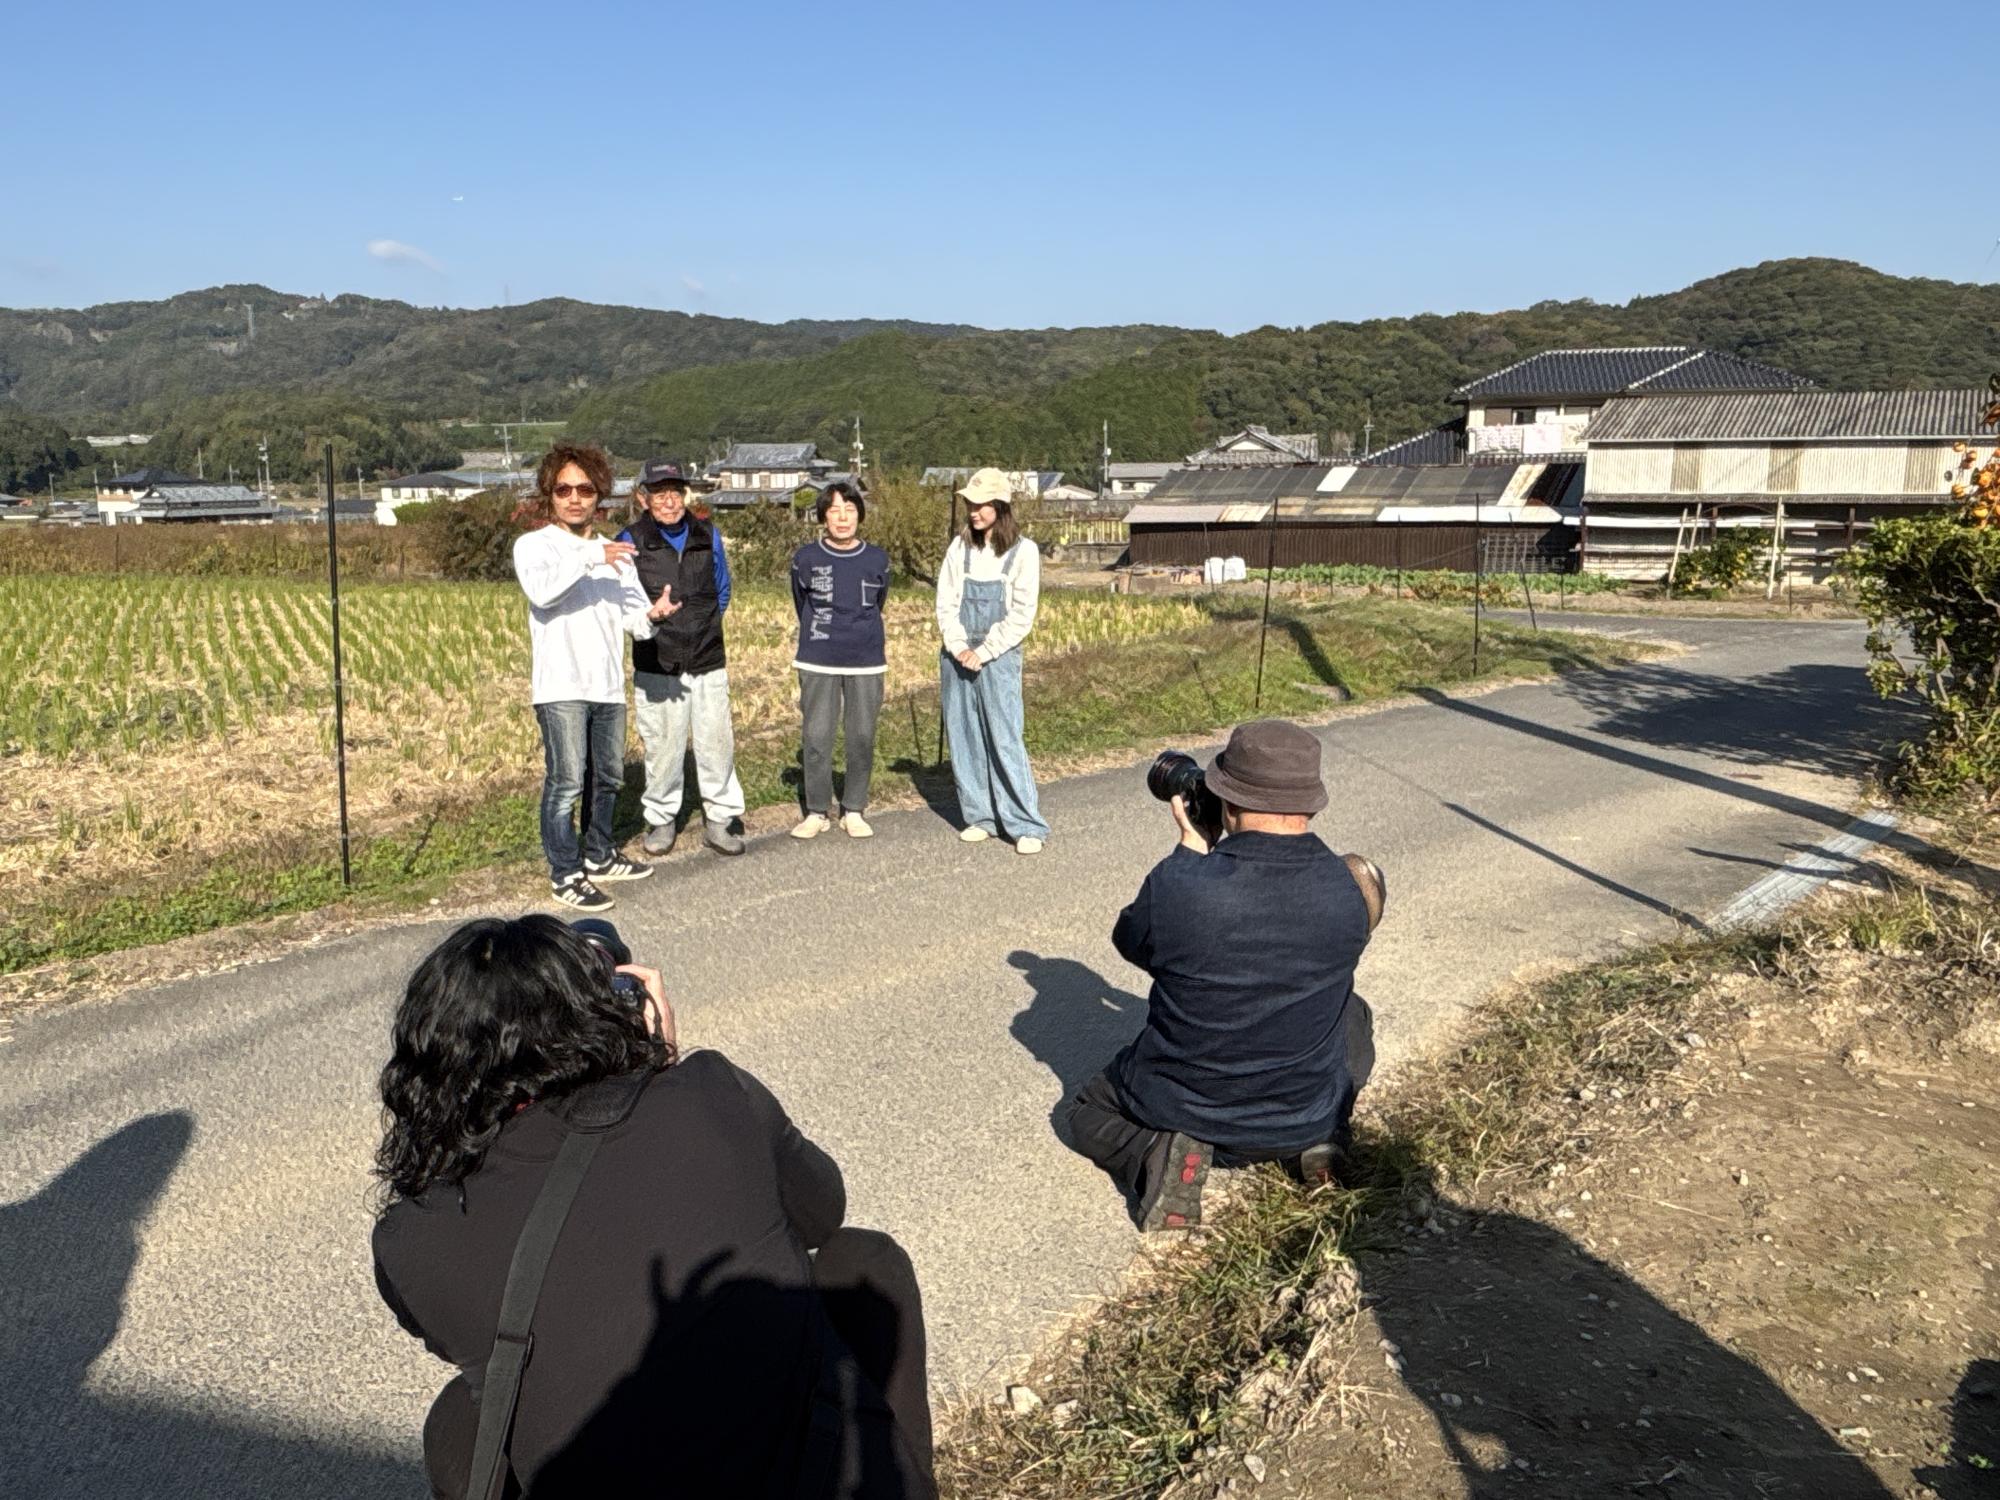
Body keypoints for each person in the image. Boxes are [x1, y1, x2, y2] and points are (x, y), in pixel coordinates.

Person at [371, 915, 935, 1499]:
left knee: (463, 1418)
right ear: (603, 1012)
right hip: (816, 1478)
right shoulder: (710, 1093)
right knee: (863, 1260)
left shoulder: (405, 1238)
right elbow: (822, 1210)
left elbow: (466, 1336)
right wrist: (656, 1069)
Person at [1060, 720, 1386, 1231]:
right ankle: (1325, 1141)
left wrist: (1191, 849)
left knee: (1084, 1111)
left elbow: (1132, 942)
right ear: (1311, 802)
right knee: (1353, 1011)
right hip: (1303, 1114)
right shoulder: (1351, 887)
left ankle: (1156, 1153)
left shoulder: (1180, 886)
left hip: (1186, 1114)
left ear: (1226, 804)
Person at [512, 444, 675, 913]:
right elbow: (542, 594)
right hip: (560, 686)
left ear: (598, 495)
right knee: (565, 781)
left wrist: (656, 615)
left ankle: (599, 854)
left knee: (607, 778)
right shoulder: (535, 546)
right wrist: (590, 557)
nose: (575, 498)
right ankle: (565, 873)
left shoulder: (616, 554)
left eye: (585, 489)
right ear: (550, 494)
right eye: (564, 489)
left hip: (606, 684)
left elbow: (634, 620)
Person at [615, 461, 747, 857]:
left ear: (685, 494)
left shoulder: (709, 534)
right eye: (659, 493)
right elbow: (626, 604)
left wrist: (699, 627)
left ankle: (720, 819)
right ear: (644, 498)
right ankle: (661, 820)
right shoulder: (631, 539)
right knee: (663, 748)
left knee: (716, 743)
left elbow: (722, 590)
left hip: (707, 656)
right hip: (658, 661)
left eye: (675, 491)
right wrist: (662, 625)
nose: (669, 501)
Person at [934, 467, 1049, 854]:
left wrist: (982, 651)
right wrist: (958, 644)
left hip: (998, 656)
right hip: (957, 652)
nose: (974, 512)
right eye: (971, 504)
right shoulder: (959, 548)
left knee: (1004, 734)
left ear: (1000, 507)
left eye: (981, 505)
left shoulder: (1024, 551)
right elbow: (945, 603)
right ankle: (979, 815)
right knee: (964, 733)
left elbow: (1021, 614)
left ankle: (1025, 823)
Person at [790, 482, 891, 840]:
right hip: (818, 657)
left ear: (860, 515)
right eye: (834, 510)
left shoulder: (877, 558)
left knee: (861, 736)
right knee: (816, 736)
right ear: (823, 517)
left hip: (866, 658)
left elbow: (878, 602)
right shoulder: (805, 558)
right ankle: (817, 810)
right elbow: (801, 603)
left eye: (849, 509)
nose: (843, 517)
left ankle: (854, 808)